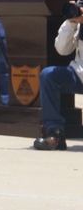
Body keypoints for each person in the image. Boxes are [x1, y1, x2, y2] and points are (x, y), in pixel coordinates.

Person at [32, 10, 83, 150]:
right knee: (49, 76)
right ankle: (55, 133)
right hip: (79, 74)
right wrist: (71, 22)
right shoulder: (78, 22)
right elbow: (62, 49)